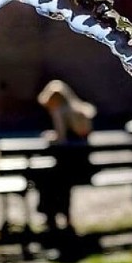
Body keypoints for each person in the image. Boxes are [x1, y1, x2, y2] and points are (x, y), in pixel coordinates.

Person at [35, 80, 96, 232]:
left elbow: (61, 139)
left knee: (45, 179)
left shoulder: (60, 111)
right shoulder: (81, 111)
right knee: (57, 182)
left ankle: (50, 217)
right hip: (84, 167)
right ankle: (64, 217)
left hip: (68, 168)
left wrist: (51, 138)